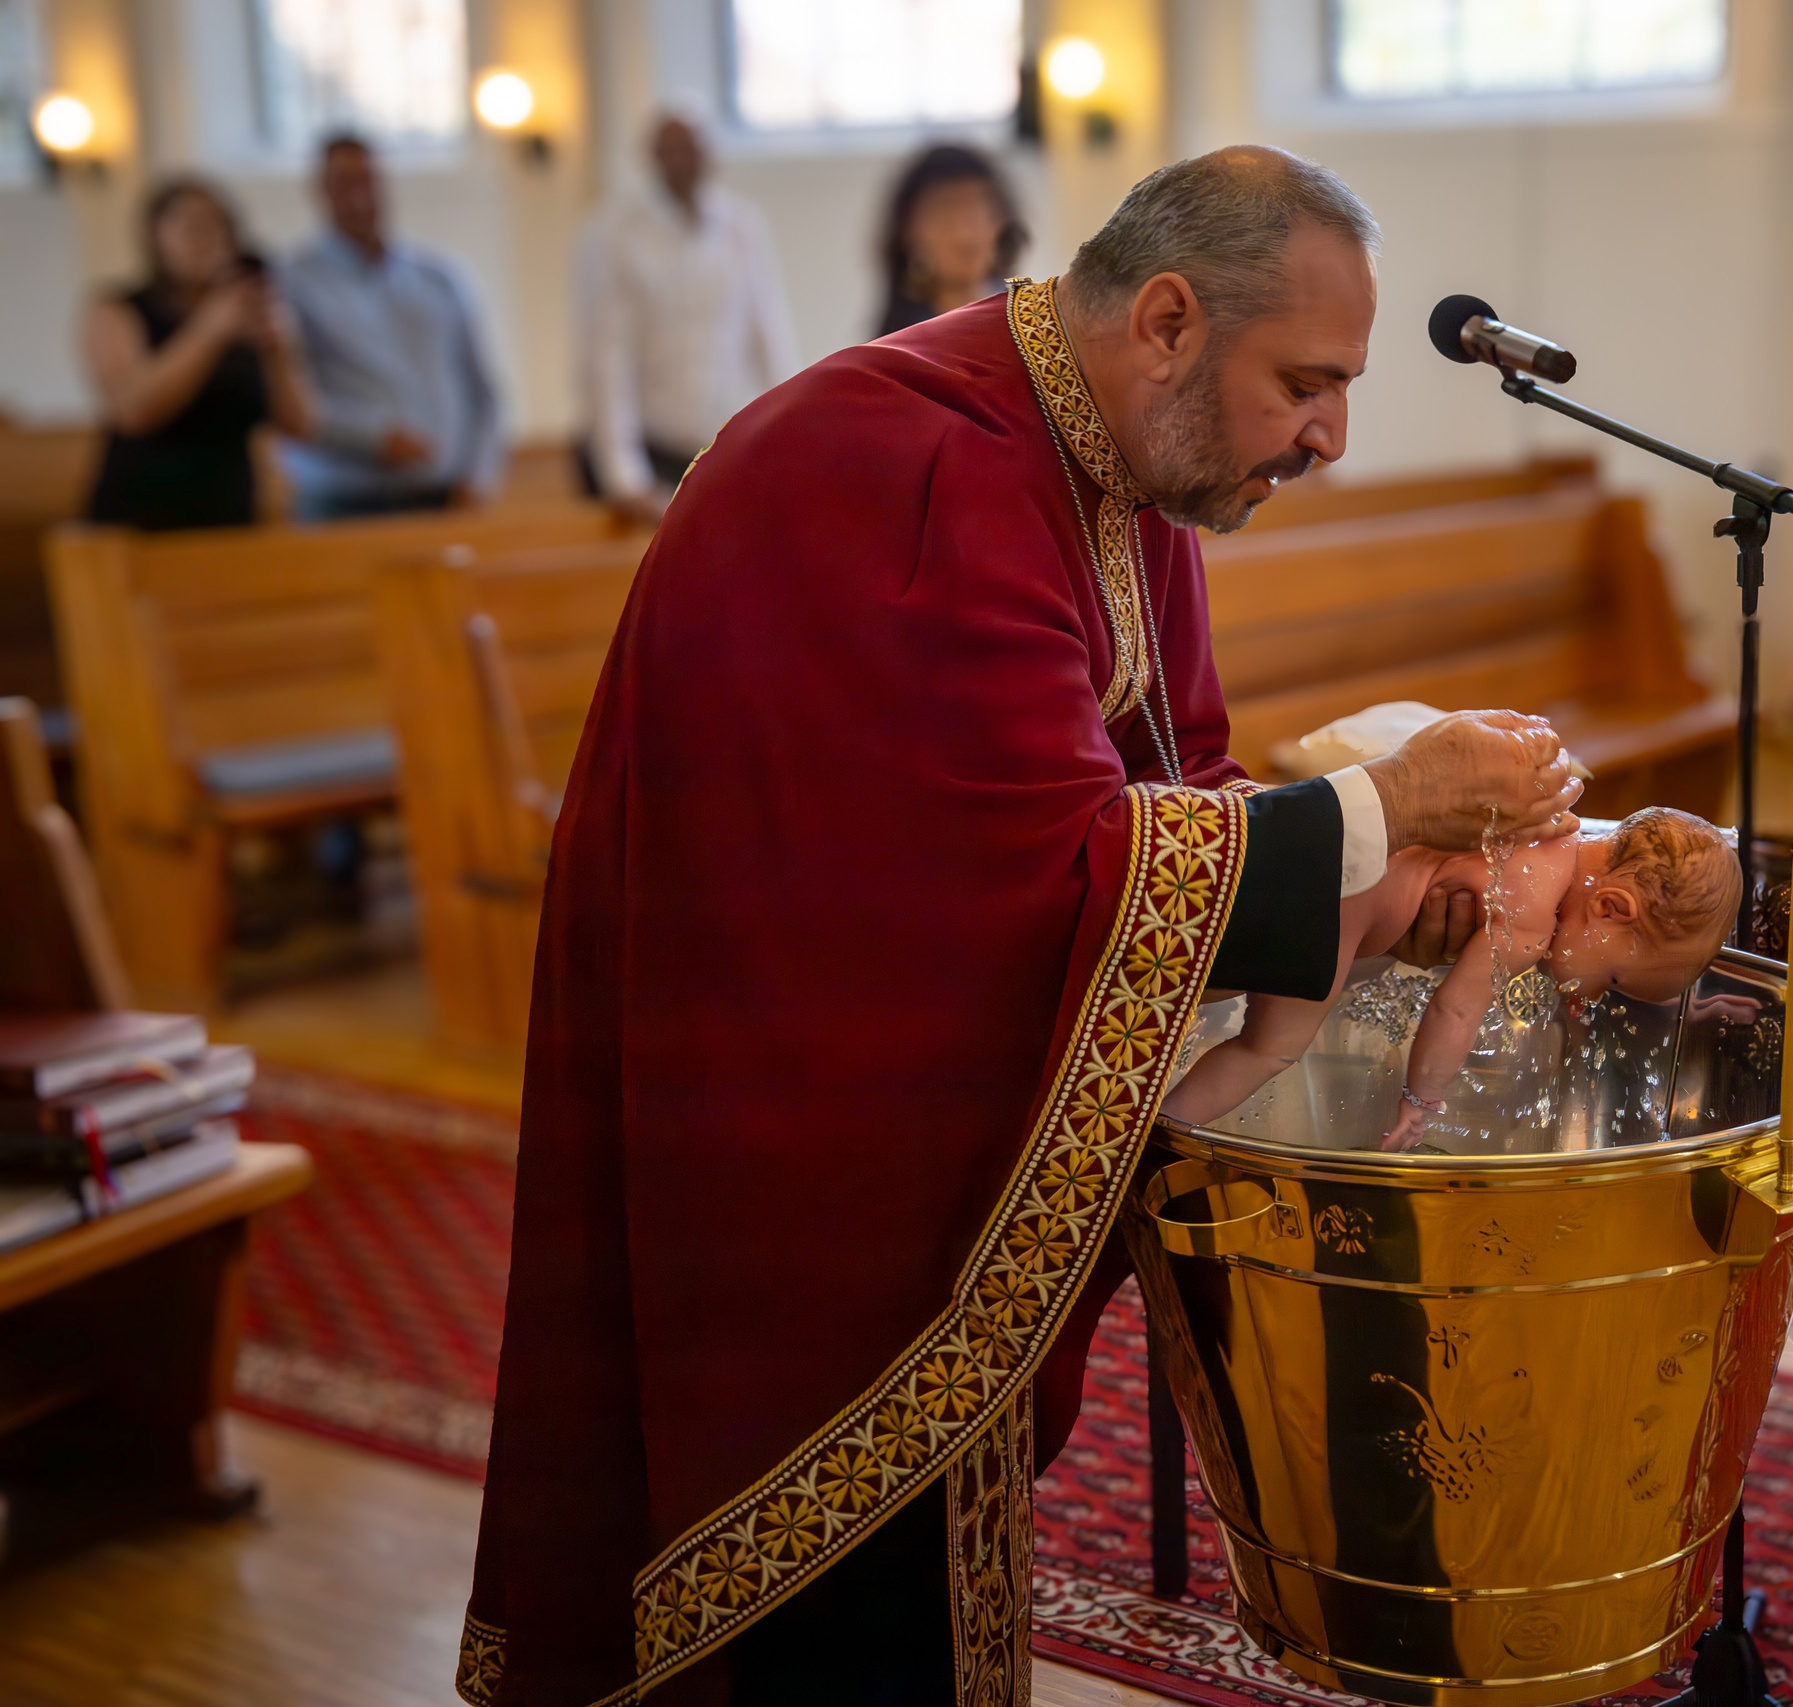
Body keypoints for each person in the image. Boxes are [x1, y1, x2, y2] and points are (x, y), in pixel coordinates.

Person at [459, 146, 1582, 1707]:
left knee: (933, 1586)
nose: (1332, 435)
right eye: (1308, 384)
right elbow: (1031, 865)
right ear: (1172, 322)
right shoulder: (904, 460)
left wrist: (1385, 895)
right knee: (827, 1634)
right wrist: (1384, 806)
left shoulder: (1119, 472)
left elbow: (1177, 792)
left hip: (899, 1104)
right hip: (787, 1148)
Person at [1164, 806, 1740, 1146]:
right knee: (1267, 1049)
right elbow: (1455, 1009)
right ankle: (1161, 1136)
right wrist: (1421, 1098)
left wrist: (1677, 1010)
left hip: (1312, 849)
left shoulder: (1552, 834)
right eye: (1611, 982)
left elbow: (1581, 958)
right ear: (1611, 908)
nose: (1588, 998)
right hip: (1328, 910)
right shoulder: (1532, 915)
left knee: (1193, 978)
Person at [576, 110, 797, 520]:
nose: (686, 160)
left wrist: (791, 439)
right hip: (648, 448)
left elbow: (768, 337)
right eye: (674, 149)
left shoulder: (742, 227)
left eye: (695, 149)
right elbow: (606, 360)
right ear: (653, 156)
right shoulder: (613, 234)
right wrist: (626, 477)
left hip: (716, 445)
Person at [278, 134, 506, 518]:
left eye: (367, 180)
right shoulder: (290, 284)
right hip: (345, 504)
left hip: (443, 496)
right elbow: (288, 403)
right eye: (342, 183)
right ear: (319, 191)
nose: (358, 196)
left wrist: (478, 475)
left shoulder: (440, 278)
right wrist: (375, 439)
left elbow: (482, 391)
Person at [82, 178, 317, 530]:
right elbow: (133, 410)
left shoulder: (245, 313)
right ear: (154, 234)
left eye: (219, 224)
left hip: (231, 518)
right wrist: (209, 330)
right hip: (139, 520)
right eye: (191, 225)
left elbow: (302, 426)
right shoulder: (118, 309)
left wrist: (280, 348)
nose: (207, 238)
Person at [875, 143, 1028, 338]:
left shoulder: (1033, 325)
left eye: (977, 210)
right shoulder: (895, 347)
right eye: (944, 212)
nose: (963, 233)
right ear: (909, 231)